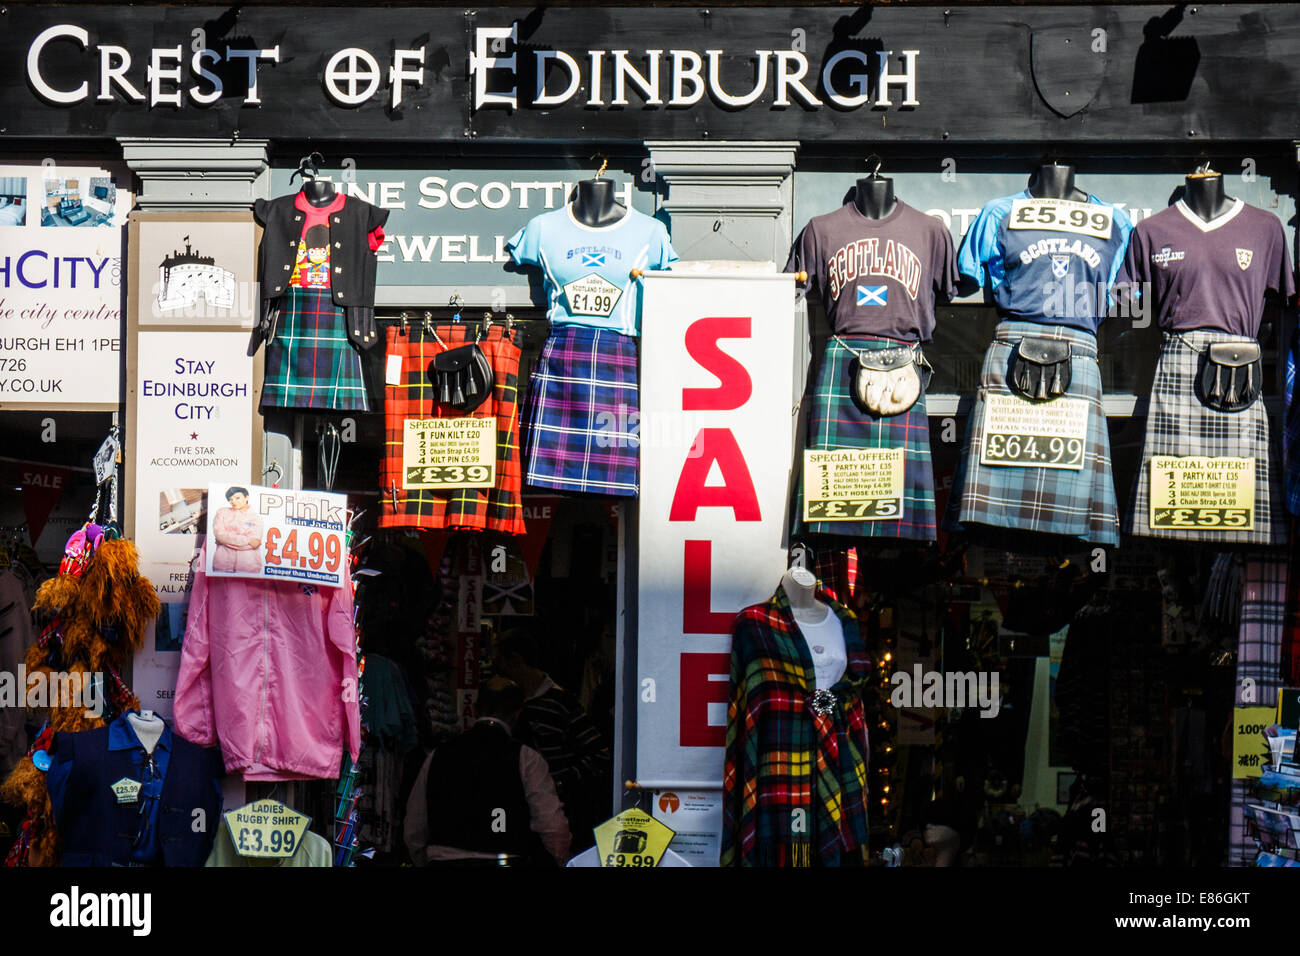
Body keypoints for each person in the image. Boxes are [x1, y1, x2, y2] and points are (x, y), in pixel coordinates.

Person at [403, 678, 570, 867]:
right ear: (517, 714)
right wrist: (561, 858)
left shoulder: (438, 756)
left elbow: (414, 828)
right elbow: (552, 826)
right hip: (504, 861)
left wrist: (424, 860)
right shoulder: (527, 758)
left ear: (474, 710)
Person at [494, 629, 612, 850]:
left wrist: (559, 782)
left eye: (501, 665)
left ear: (516, 660)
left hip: (555, 809)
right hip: (518, 809)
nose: (498, 674)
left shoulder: (561, 703)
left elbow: (600, 754)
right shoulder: (507, 703)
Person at [211, 486, 263, 573]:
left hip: (248, 565)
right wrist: (247, 540)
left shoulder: (255, 518)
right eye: (230, 499)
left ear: (246, 498)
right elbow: (219, 535)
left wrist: (227, 540)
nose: (233, 502)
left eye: (237, 498)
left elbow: (254, 543)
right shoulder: (222, 512)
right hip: (223, 564)